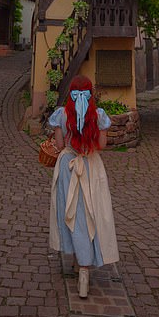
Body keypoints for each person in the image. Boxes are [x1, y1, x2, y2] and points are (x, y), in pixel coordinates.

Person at [48, 75, 119, 298]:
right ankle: (85, 268)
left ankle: (81, 264)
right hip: (91, 167)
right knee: (91, 213)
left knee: (73, 215)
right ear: (90, 94)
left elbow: (60, 146)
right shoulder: (97, 116)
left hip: (68, 168)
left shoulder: (62, 114)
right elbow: (101, 144)